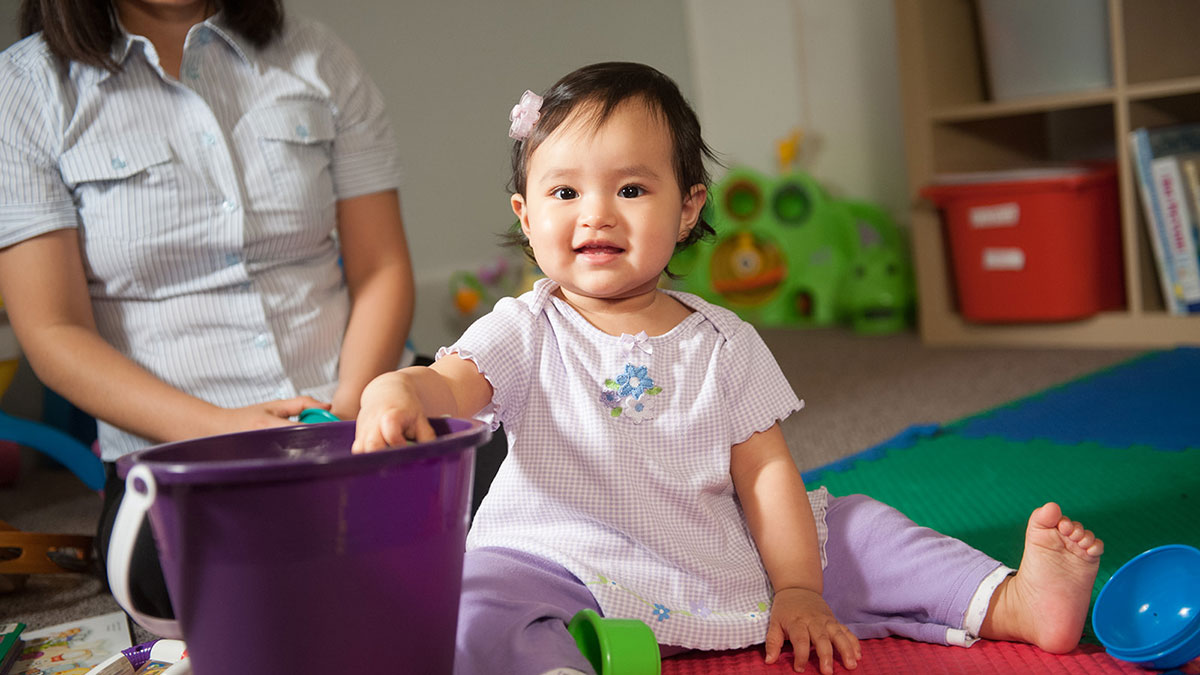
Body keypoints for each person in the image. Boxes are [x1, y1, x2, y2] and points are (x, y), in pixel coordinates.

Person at [352, 62, 1105, 675]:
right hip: (564, 558)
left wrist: (801, 588)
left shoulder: (724, 340)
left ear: (687, 210)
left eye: (632, 188)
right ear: (526, 215)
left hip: (722, 551)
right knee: (475, 594)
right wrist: (398, 385)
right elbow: (453, 383)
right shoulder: (524, 326)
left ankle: (1013, 600)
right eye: (565, 191)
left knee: (861, 527)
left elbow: (766, 472)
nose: (597, 213)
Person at [0, 0, 415, 618]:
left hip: (360, 411)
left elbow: (381, 266)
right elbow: (53, 331)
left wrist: (350, 417)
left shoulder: (318, 55)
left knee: (527, 511)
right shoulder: (26, 89)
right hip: (181, 450)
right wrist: (227, 431)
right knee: (226, 593)